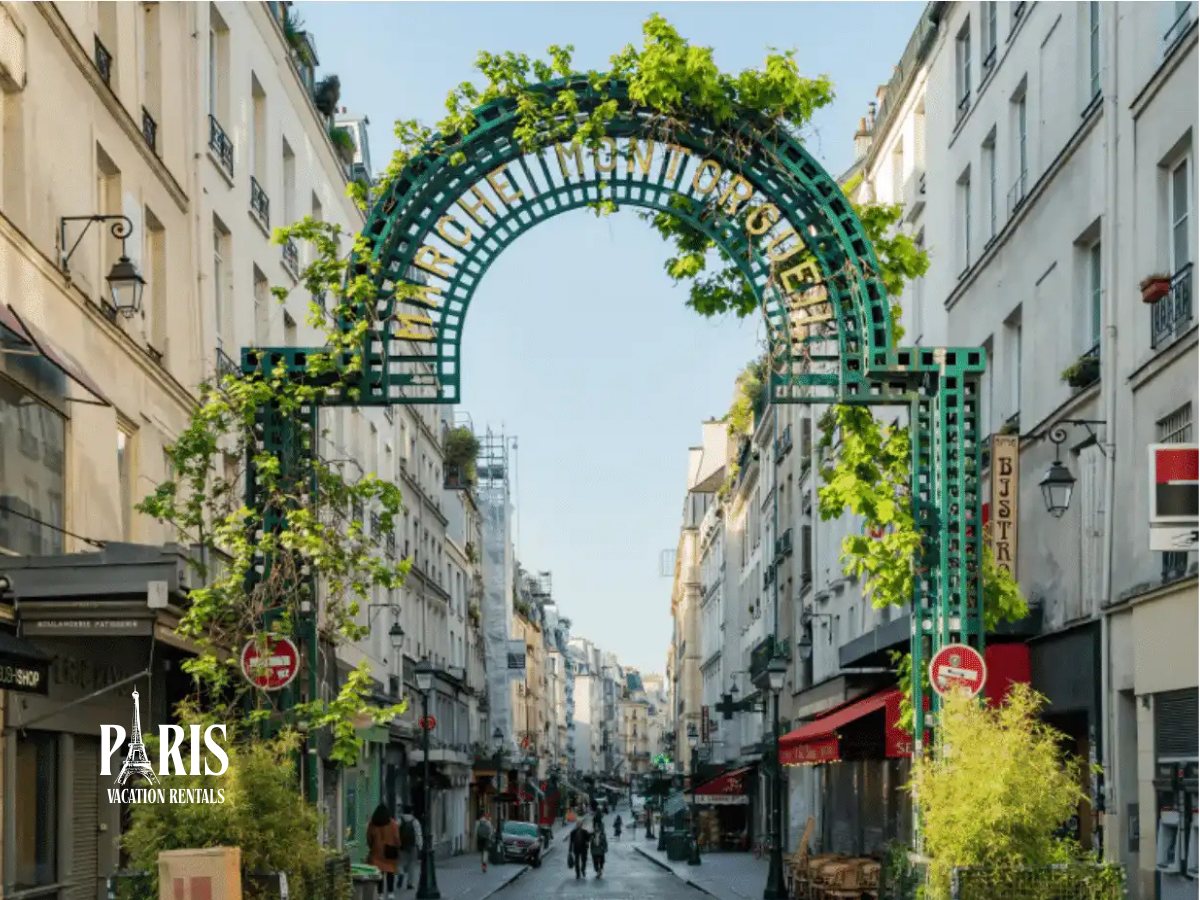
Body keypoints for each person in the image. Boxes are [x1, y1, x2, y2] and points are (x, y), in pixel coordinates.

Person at [366, 805, 400, 900]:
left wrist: (372, 846)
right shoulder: (393, 824)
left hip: (376, 852)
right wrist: (397, 846)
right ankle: (390, 892)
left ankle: (380, 893)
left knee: (379, 873)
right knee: (390, 872)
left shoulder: (372, 824)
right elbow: (397, 838)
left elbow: (369, 838)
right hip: (390, 851)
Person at [397, 804, 422, 891]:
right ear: (411, 812)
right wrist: (420, 846)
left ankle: (401, 873)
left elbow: (396, 833)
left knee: (400, 863)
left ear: (403, 811)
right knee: (412, 865)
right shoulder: (415, 821)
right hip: (412, 846)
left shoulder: (399, 820)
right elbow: (418, 834)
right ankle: (410, 883)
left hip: (401, 846)